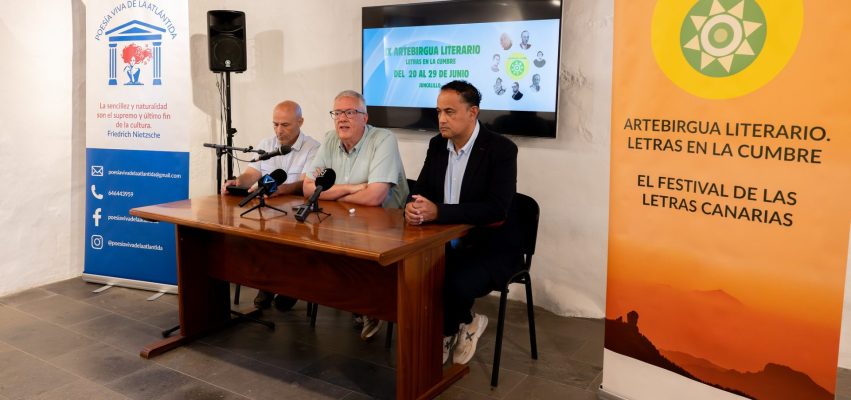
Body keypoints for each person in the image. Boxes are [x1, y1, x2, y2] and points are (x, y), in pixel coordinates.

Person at [405, 80, 520, 365]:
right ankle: (462, 321)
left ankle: (453, 328)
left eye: (450, 112)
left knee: (452, 282)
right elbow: (420, 191)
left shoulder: (501, 150)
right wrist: (413, 207)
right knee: (411, 275)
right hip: (443, 241)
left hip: (489, 245)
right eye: (439, 111)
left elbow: (496, 209)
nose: (442, 119)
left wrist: (439, 212)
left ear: (473, 112)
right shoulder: (436, 144)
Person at [304, 89, 409, 340]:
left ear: (365, 117)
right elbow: (309, 189)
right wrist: (352, 188)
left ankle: (372, 305)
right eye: (337, 113)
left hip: (387, 226)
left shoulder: (384, 139)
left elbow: (375, 197)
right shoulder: (330, 139)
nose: (342, 118)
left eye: (350, 112)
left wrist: (331, 193)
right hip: (343, 222)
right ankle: (358, 302)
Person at [222, 100, 320, 311]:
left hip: (296, 216)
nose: (278, 130)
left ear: (300, 122)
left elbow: (305, 183)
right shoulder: (267, 145)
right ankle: (266, 285)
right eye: (275, 124)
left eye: (285, 125)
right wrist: (237, 183)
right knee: (250, 234)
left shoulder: (313, 148)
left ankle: (290, 287)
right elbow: (251, 174)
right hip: (267, 213)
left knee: (290, 241)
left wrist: (281, 189)